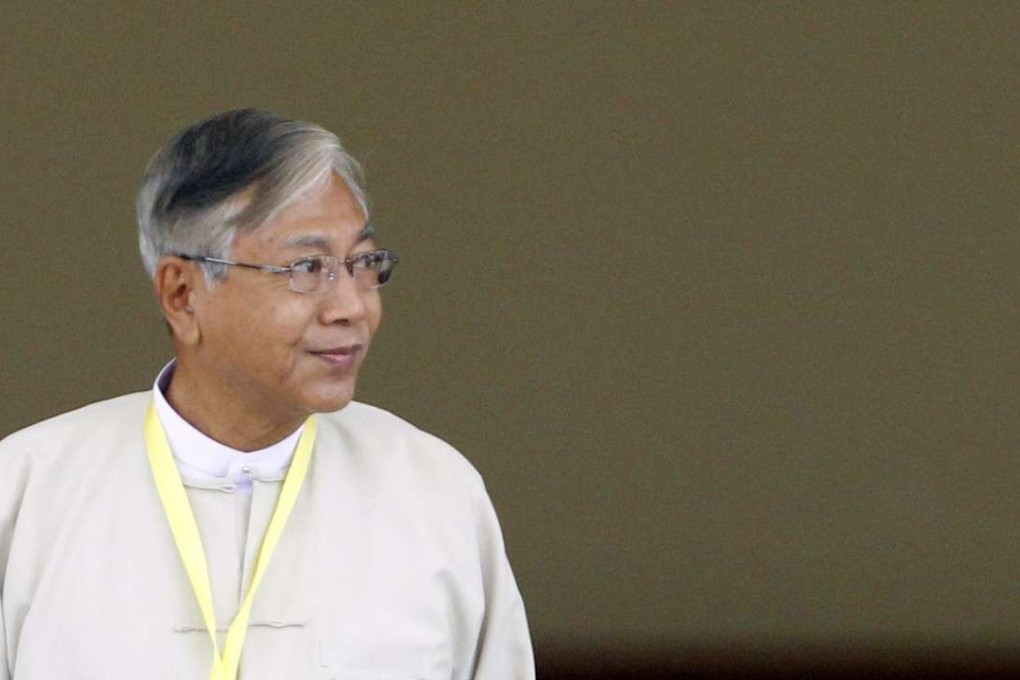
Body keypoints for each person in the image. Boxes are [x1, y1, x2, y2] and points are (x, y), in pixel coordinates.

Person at [0, 109, 534, 679]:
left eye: (362, 263)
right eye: (307, 267)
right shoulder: (27, 492)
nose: (352, 306)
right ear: (182, 295)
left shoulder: (433, 492)